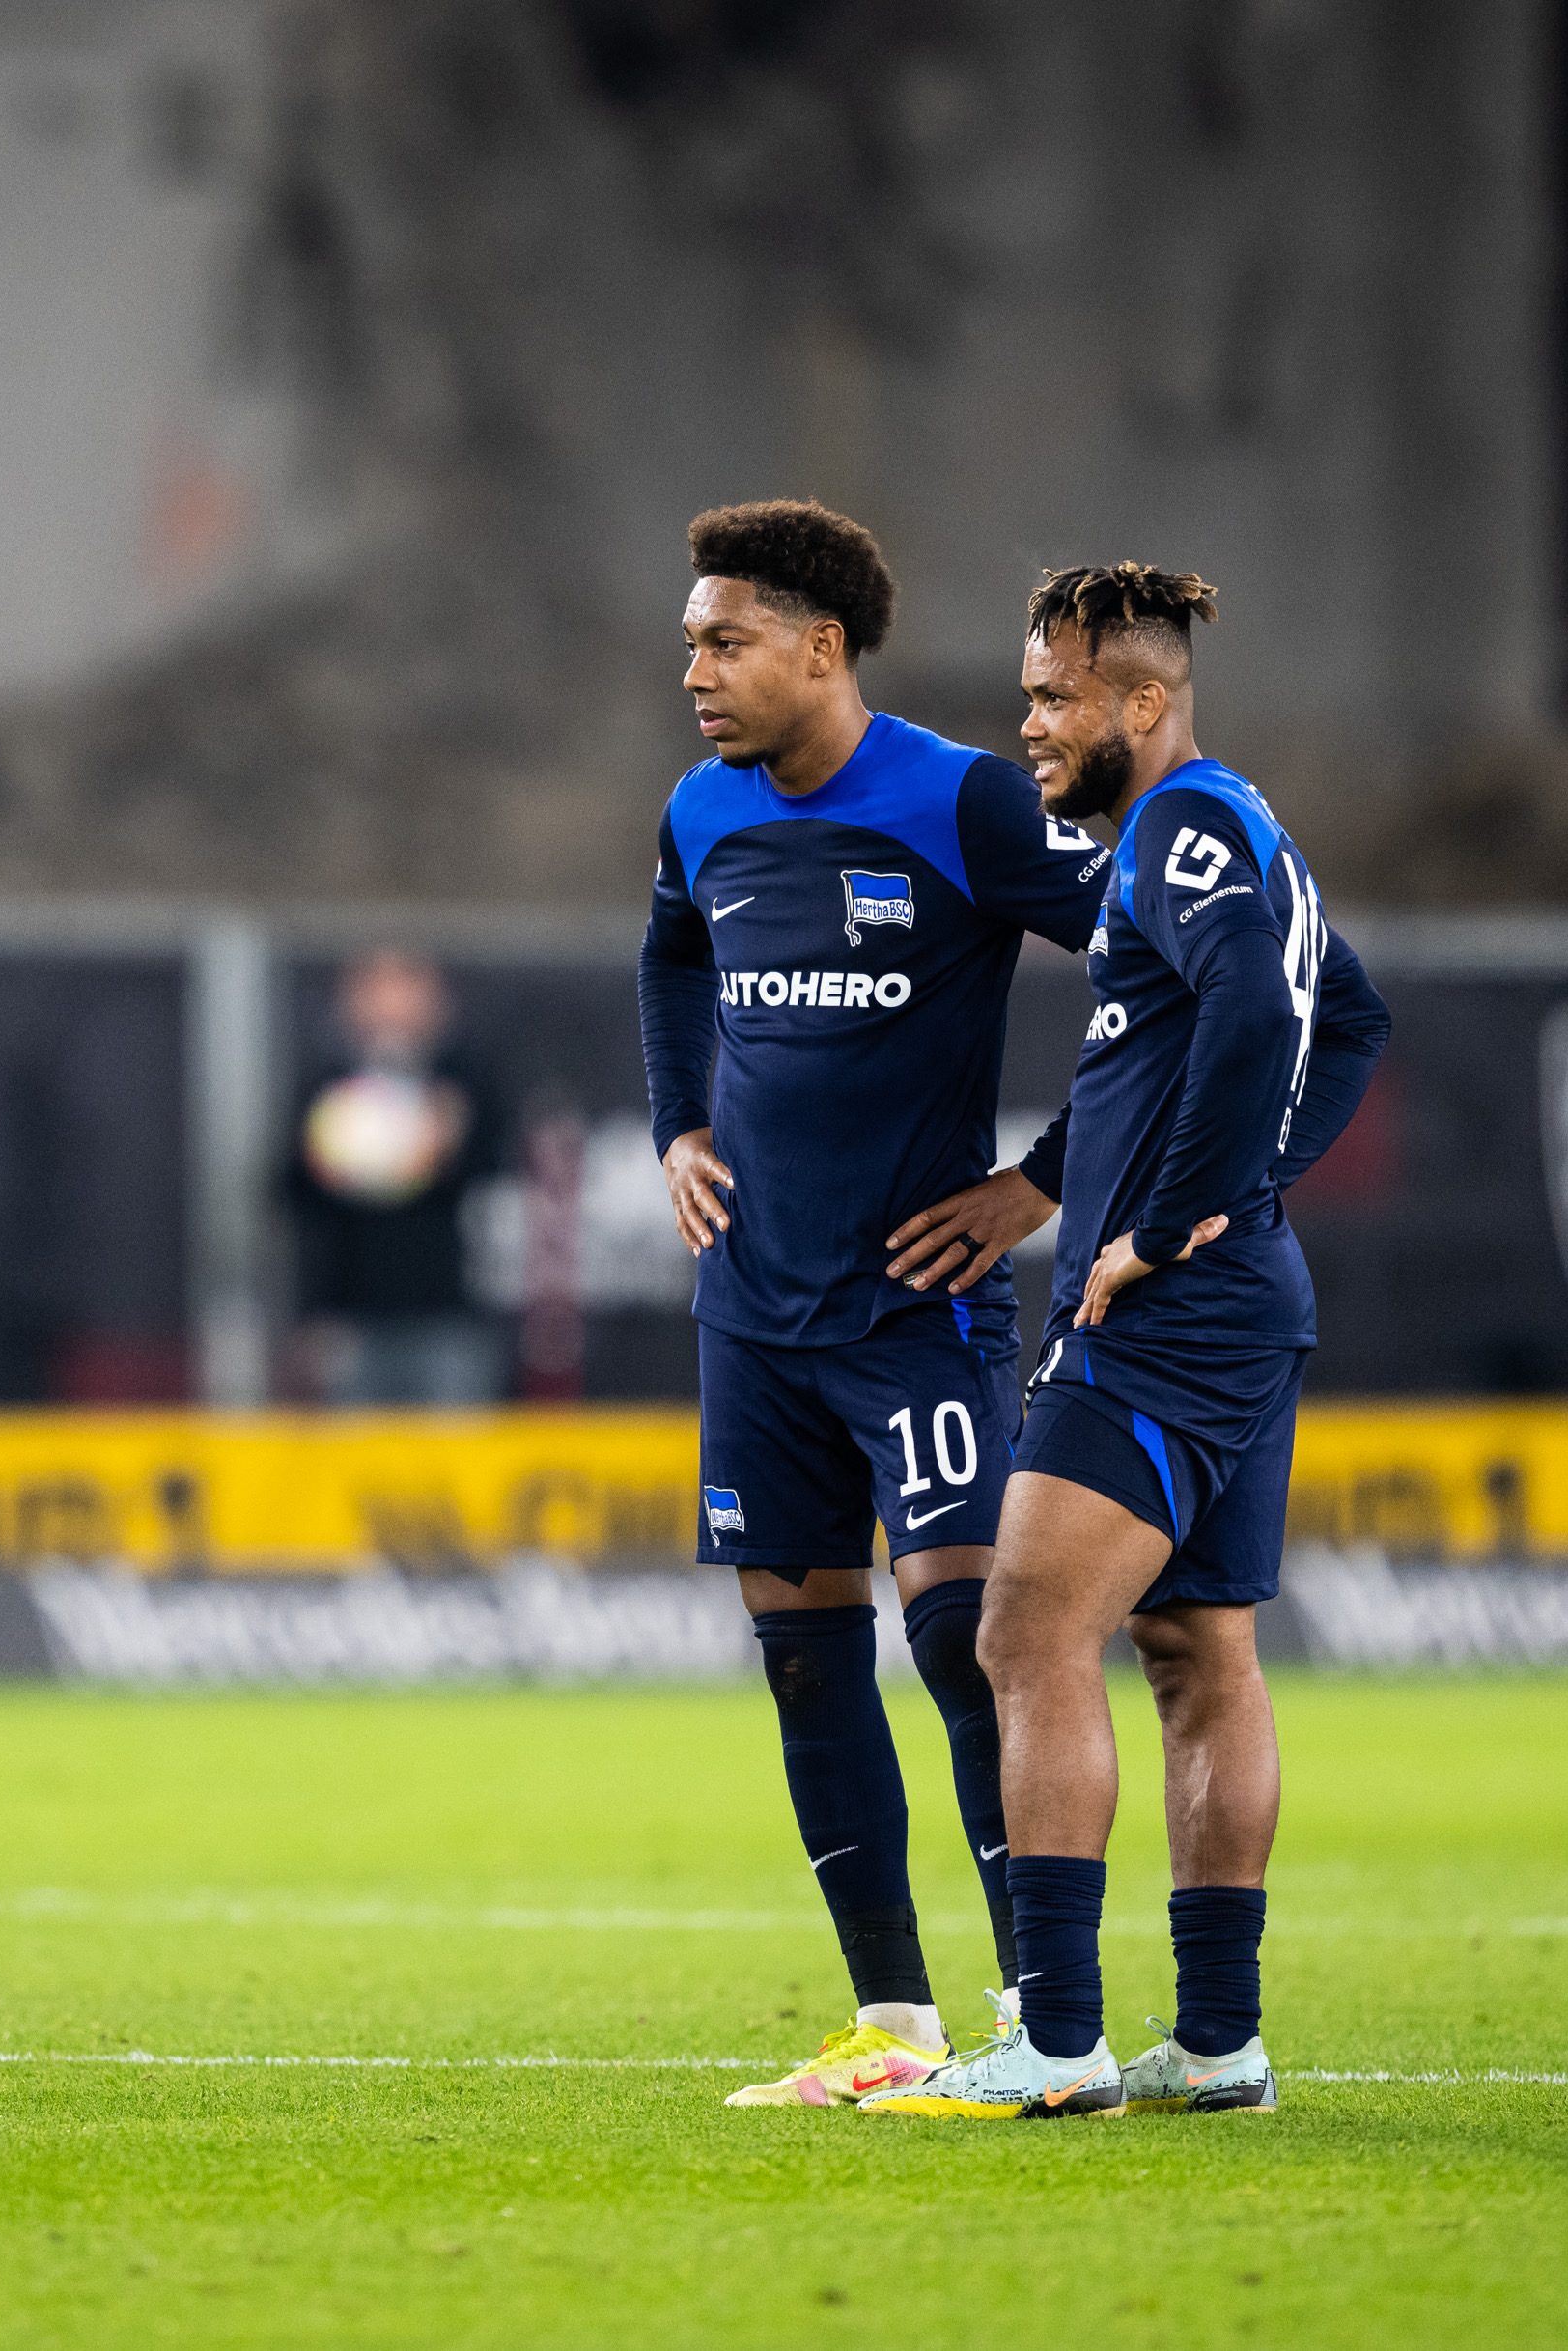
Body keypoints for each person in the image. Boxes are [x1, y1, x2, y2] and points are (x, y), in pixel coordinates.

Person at [864, 563, 1386, 2123]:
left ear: (1140, 703)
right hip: (1239, 1303)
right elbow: (1342, 1018)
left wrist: (1173, 1217)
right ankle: (1218, 2042)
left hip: (1166, 1313)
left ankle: (1061, 2036)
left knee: (1023, 1636)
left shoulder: (1185, 825)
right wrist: (1255, 1192)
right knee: (1196, 1647)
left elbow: (1248, 1015)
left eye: (1053, 697)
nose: (1029, 725)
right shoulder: (1231, 833)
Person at [636, 499, 1110, 2107]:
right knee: (800, 1653)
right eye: (693, 638)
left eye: (724, 639)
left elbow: (1159, 971)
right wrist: (677, 1128)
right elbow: (670, 960)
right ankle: (894, 2029)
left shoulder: (963, 801)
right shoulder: (702, 812)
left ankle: (1043, 2021)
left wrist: (1036, 1187)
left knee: (965, 1639)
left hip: (918, 1310)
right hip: (754, 1312)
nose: (692, 666)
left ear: (820, 647)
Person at [286, 949, 508, 1406]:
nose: (391, 1003)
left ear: (434, 999)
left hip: (448, 1312)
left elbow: (491, 1173)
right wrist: (333, 1162)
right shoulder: (326, 1087)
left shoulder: (464, 1082)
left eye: (405, 985)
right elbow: (289, 1192)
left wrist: (446, 1145)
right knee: (355, 1466)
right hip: (351, 1315)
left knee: (456, 1465)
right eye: (376, 987)